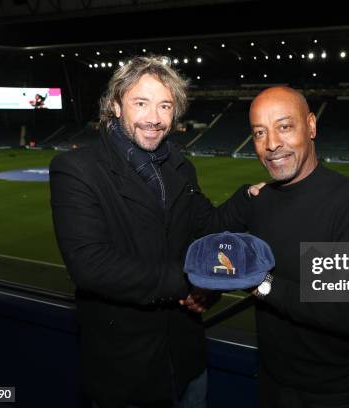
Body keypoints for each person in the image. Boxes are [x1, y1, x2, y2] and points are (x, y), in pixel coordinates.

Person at [50, 55, 254, 408]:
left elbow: (208, 227)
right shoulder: (77, 168)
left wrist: (250, 197)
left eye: (165, 106)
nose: (154, 118)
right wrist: (190, 280)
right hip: (126, 371)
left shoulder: (180, 166)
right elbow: (90, 265)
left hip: (186, 359)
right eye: (140, 103)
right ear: (115, 105)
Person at [219, 86, 349, 407]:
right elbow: (203, 234)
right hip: (272, 383)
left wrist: (262, 283)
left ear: (311, 126)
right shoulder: (258, 200)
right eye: (259, 132)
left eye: (284, 127)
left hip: (338, 394)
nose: (271, 144)